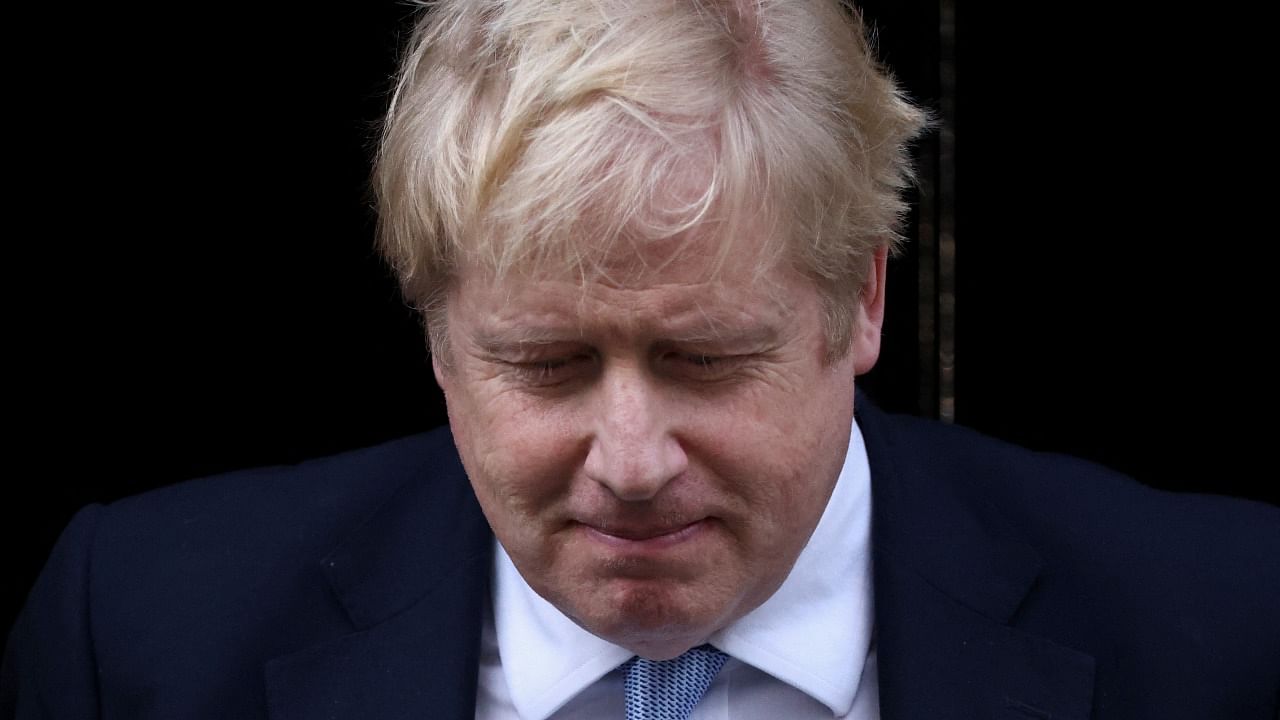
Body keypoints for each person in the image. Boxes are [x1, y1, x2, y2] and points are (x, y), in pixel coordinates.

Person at [4, 1, 1278, 718]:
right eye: (544, 364)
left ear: (863, 300)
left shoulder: (1228, 633)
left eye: (707, 358)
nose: (628, 463)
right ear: (436, 335)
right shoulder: (137, 642)